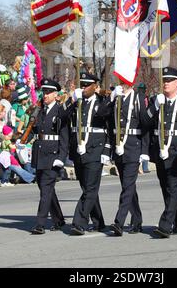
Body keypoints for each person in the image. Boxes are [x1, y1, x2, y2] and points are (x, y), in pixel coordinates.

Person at [146, 67, 177, 238]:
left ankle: (165, 225)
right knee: (166, 188)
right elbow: (145, 122)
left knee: (174, 187)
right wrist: (154, 106)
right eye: (164, 81)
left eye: (169, 81)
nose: (166, 83)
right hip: (160, 150)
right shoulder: (156, 100)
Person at [64, 72, 112, 235]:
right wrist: (71, 101)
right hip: (79, 149)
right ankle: (99, 222)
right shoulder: (77, 102)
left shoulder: (102, 103)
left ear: (95, 86)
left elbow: (108, 123)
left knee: (90, 188)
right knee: (87, 188)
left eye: (87, 85)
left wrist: (107, 150)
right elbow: (62, 117)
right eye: (82, 85)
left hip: (95, 149)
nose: (83, 88)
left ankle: (79, 221)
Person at [107, 81, 150, 236]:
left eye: (126, 81)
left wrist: (144, 150)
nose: (123, 84)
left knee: (127, 185)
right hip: (119, 148)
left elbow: (145, 125)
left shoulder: (138, 98)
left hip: (133, 147)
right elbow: (104, 117)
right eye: (121, 81)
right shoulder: (116, 97)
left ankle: (119, 222)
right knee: (128, 186)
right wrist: (110, 99)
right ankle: (137, 220)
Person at [30, 79, 69, 235]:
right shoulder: (41, 110)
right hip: (40, 154)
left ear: (56, 95)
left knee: (45, 190)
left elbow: (64, 136)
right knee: (46, 188)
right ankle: (58, 219)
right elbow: (36, 130)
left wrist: (61, 156)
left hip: (53, 155)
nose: (44, 95)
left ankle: (40, 223)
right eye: (43, 92)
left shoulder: (60, 112)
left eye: (48, 92)